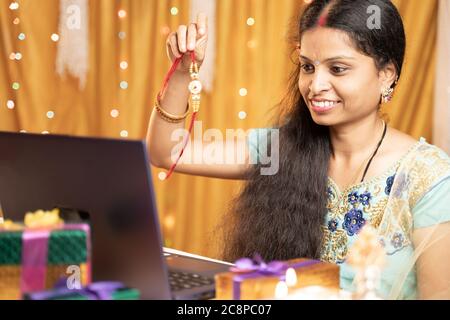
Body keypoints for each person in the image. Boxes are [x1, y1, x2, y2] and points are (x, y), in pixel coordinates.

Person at [147, 0, 450, 300]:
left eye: (338, 69)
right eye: (308, 66)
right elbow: (168, 153)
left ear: (386, 74)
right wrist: (184, 72)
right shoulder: (280, 149)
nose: (315, 84)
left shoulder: (427, 176)